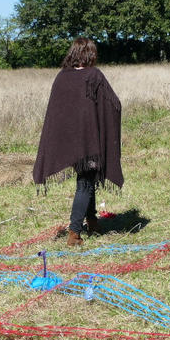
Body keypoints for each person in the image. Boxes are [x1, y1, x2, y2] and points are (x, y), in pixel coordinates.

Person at [33, 37, 124, 246]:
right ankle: (74, 232)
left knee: (87, 178)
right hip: (88, 141)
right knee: (85, 183)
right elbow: (114, 103)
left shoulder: (62, 77)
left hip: (68, 141)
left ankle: (92, 221)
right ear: (90, 54)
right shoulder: (94, 75)